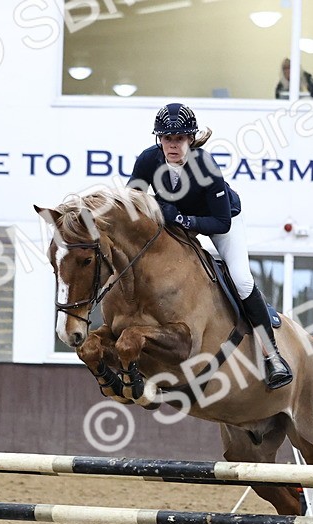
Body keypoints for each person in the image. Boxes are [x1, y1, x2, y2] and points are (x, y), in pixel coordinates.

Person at [126, 102, 292, 390]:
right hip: (177, 222)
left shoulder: (205, 166)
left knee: (241, 279)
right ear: (159, 140)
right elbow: (132, 201)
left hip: (220, 221)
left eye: (179, 139)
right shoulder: (147, 160)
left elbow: (221, 222)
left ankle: (272, 355)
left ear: (190, 139)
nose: (173, 145)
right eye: (167, 138)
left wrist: (179, 217)